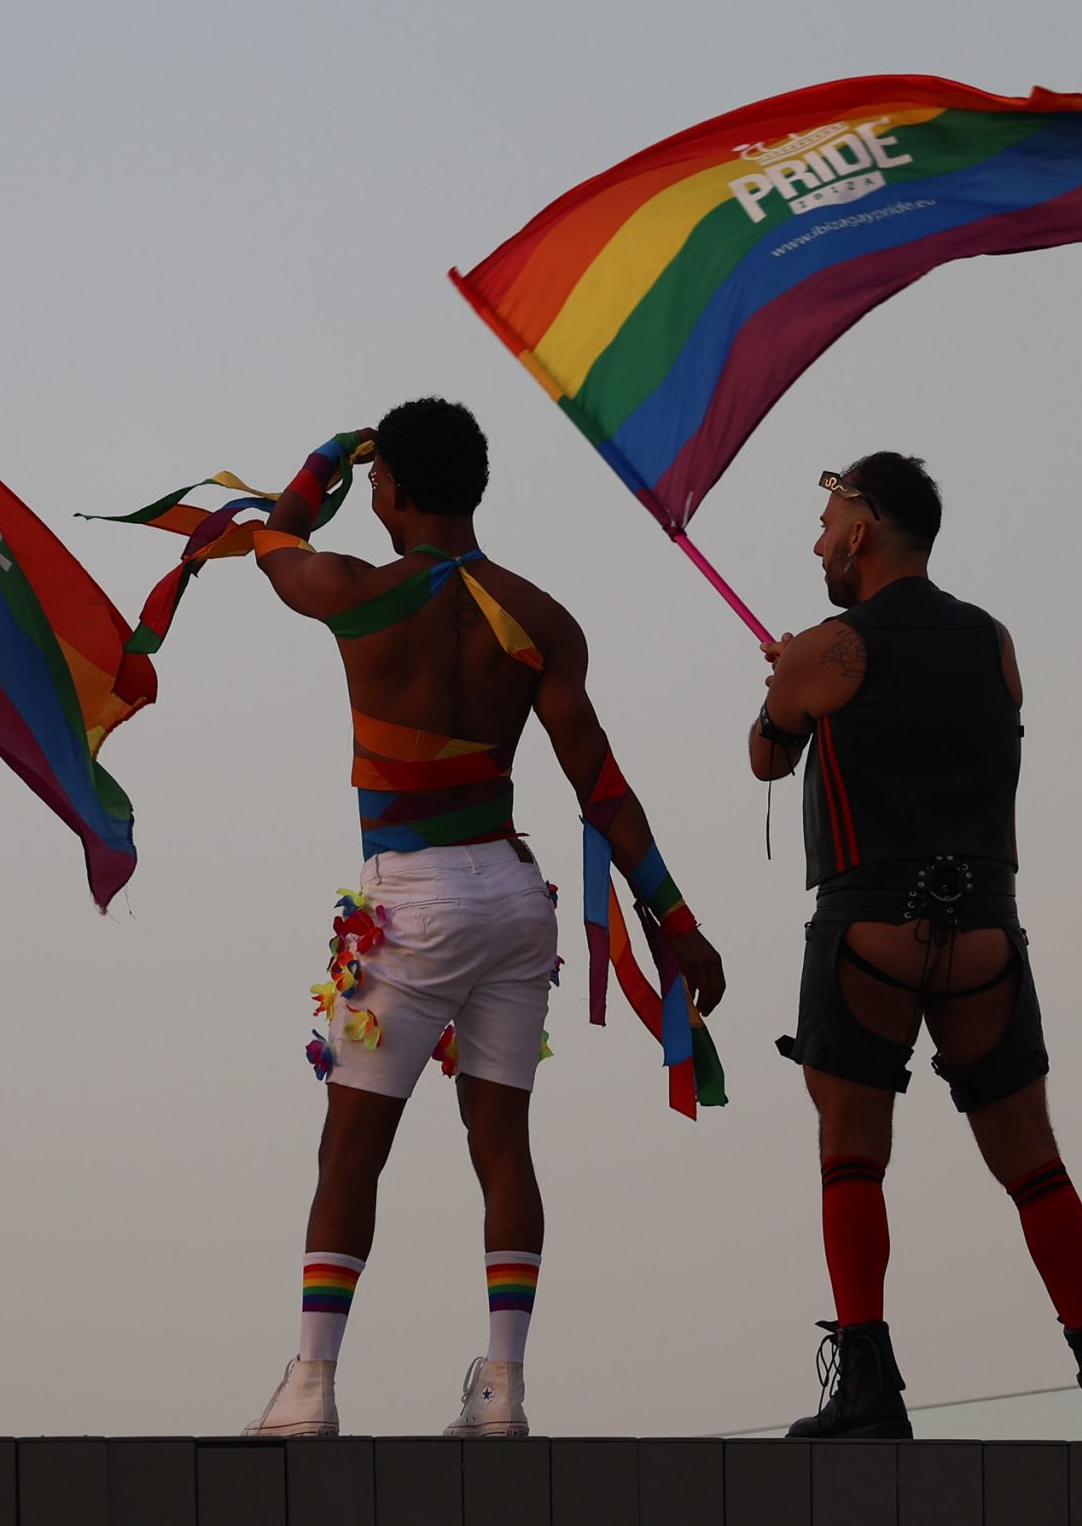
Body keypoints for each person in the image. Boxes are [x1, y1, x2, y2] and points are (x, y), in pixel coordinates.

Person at [238, 398, 724, 1438]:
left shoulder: (357, 594)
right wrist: (676, 922)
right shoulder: (540, 617)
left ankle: (311, 1386)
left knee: (349, 1154)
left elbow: (268, 541)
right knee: (502, 1143)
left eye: (378, 481)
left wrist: (328, 454)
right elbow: (600, 784)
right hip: (514, 899)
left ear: (397, 489)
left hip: (412, 904)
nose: (370, 495)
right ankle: (502, 1387)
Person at [749, 452, 1082, 1441]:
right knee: (1032, 1163)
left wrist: (788, 676)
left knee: (851, 1154)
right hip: (984, 932)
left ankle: (868, 1385)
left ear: (862, 531)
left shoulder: (827, 650)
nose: (817, 542)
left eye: (828, 520)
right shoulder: (994, 642)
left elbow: (767, 753)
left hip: (866, 929)